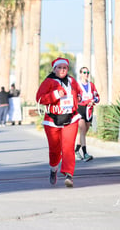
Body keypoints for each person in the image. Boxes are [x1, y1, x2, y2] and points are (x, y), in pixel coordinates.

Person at [36, 58, 82, 188]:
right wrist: (55, 94)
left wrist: (79, 97)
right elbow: (39, 98)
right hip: (52, 120)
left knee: (68, 147)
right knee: (55, 149)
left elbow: (79, 93)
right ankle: (53, 168)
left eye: (65, 68)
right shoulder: (48, 81)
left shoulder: (72, 81)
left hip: (71, 118)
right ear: (54, 69)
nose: (62, 70)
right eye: (59, 67)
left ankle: (69, 175)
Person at [75, 67, 100, 162]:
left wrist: (93, 100)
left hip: (89, 110)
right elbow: (75, 98)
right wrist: (84, 101)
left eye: (87, 72)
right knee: (82, 129)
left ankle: (76, 150)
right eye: (84, 72)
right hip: (79, 109)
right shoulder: (77, 85)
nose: (86, 74)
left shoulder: (91, 85)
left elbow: (97, 97)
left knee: (84, 132)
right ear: (80, 74)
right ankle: (85, 153)